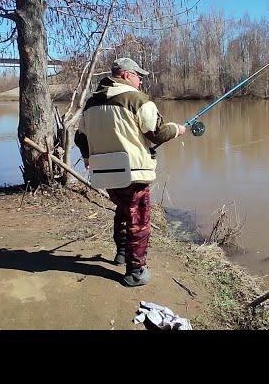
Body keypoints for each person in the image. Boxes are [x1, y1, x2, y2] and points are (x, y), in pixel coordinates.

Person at [74, 57, 186, 286]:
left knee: (124, 210)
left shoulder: (91, 103)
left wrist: (87, 158)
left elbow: (80, 137)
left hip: (106, 174)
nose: (141, 82)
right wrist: (178, 129)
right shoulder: (137, 100)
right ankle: (135, 271)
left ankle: (122, 253)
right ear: (126, 75)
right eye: (139, 76)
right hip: (133, 174)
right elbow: (157, 133)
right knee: (139, 219)